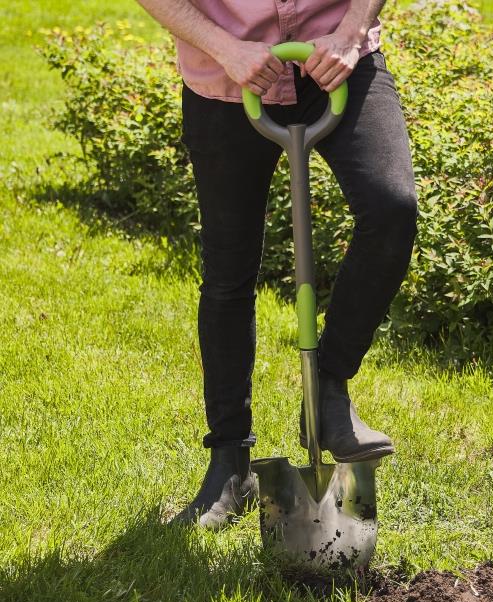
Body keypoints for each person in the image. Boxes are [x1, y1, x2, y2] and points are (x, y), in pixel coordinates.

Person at [135, 0, 418, 529]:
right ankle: (229, 463)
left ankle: (328, 392)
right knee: (227, 273)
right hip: (228, 73)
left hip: (336, 60)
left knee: (391, 210)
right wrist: (226, 48)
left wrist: (352, 31)